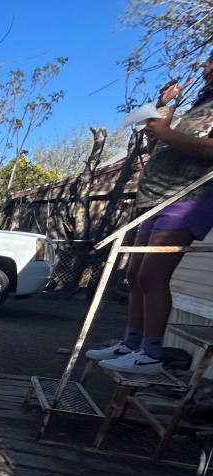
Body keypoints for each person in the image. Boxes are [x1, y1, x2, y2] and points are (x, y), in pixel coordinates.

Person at [87, 56, 213, 375]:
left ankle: (151, 353)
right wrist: (162, 107)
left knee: (153, 276)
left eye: (211, 62)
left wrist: (167, 133)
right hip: (155, 198)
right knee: (135, 276)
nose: (204, 67)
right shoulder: (201, 105)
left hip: (189, 199)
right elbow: (159, 141)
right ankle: (132, 344)